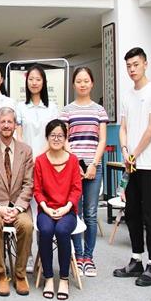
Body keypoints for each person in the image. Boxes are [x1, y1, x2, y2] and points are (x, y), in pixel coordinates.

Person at [113, 47, 151, 287]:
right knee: (132, 213)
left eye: (135, 64)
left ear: (145, 64)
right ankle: (136, 259)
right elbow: (123, 127)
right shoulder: (127, 95)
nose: (132, 69)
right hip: (131, 164)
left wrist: (134, 154)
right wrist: (125, 151)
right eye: (128, 66)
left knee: (149, 215)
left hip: (148, 164)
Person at [0, 107, 34, 297]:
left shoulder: (26, 151)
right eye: (2, 122)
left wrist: (17, 208)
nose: (6, 125)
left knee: (27, 225)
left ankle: (20, 274)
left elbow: (28, 184)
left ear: (15, 125)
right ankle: (1, 273)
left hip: (18, 206)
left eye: (10, 121)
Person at [59, 67, 108, 277]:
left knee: (91, 214)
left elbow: (102, 139)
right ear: (73, 84)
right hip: (74, 169)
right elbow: (64, 140)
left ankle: (89, 257)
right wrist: (76, 165)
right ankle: (78, 257)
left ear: (92, 83)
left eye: (86, 80)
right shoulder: (67, 110)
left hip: (94, 167)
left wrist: (94, 164)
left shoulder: (99, 110)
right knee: (75, 213)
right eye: (79, 81)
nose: (82, 84)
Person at [16, 64, 58, 273]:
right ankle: (29, 256)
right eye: (31, 79)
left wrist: (39, 157)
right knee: (27, 211)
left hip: (46, 163)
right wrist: (28, 157)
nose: (34, 82)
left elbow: (54, 137)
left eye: (38, 79)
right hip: (25, 165)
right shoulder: (20, 107)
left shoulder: (52, 108)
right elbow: (18, 136)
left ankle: (44, 255)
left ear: (43, 82)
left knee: (44, 209)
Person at [33, 119, 82, 300]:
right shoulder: (40, 161)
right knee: (46, 230)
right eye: (52, 135)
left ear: (65, 138)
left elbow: (76, 189)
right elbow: (37, 190)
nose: (56, 139)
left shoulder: (73, 160)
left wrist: (66, 208)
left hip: (67, 210)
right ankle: (48, 277)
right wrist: (46, 208)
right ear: (47, 137)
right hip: (46, 210)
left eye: (60, 135)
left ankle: (63, 278)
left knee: (62, 230)